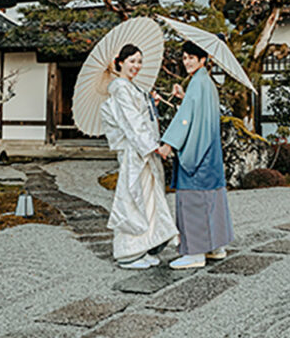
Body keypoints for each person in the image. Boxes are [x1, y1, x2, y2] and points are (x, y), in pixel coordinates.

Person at [100, 43, 179, 269]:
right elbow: (131, 122)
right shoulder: (120, 88)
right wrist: (153, 146)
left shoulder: (131, 87)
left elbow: (139, 115)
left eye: (139, 61)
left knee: (147, 200)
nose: (137, 66)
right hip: (136, 153)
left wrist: (150, 104)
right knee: (133, 199)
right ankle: (127, 252)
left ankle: (142, 247)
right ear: (120, 62)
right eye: (132, 61)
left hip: (142, 151)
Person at [160, 40, 234, 269]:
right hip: (211, 152)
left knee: (192, 202)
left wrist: (169, 144)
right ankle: (215, 246)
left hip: (197, 153)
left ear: (203, 59)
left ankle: (194, 253)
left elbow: (186, 118)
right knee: (212, 200)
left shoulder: (197, 83)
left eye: (192, 57)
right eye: (184, 58)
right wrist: (184, 97)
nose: (187, 61)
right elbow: (197, 110)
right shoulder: (206, 83)